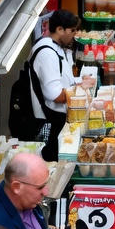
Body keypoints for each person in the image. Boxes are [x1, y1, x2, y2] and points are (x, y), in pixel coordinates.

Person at [29, 9, 79, 161]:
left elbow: (63, 80)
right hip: (51, 124)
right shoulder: (47, 53)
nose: (74, 35)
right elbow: (56, 96)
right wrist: (80, 90)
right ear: (59, 29)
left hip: (59, 119)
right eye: (72, 31)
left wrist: (79, 83)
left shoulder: (55, 47)